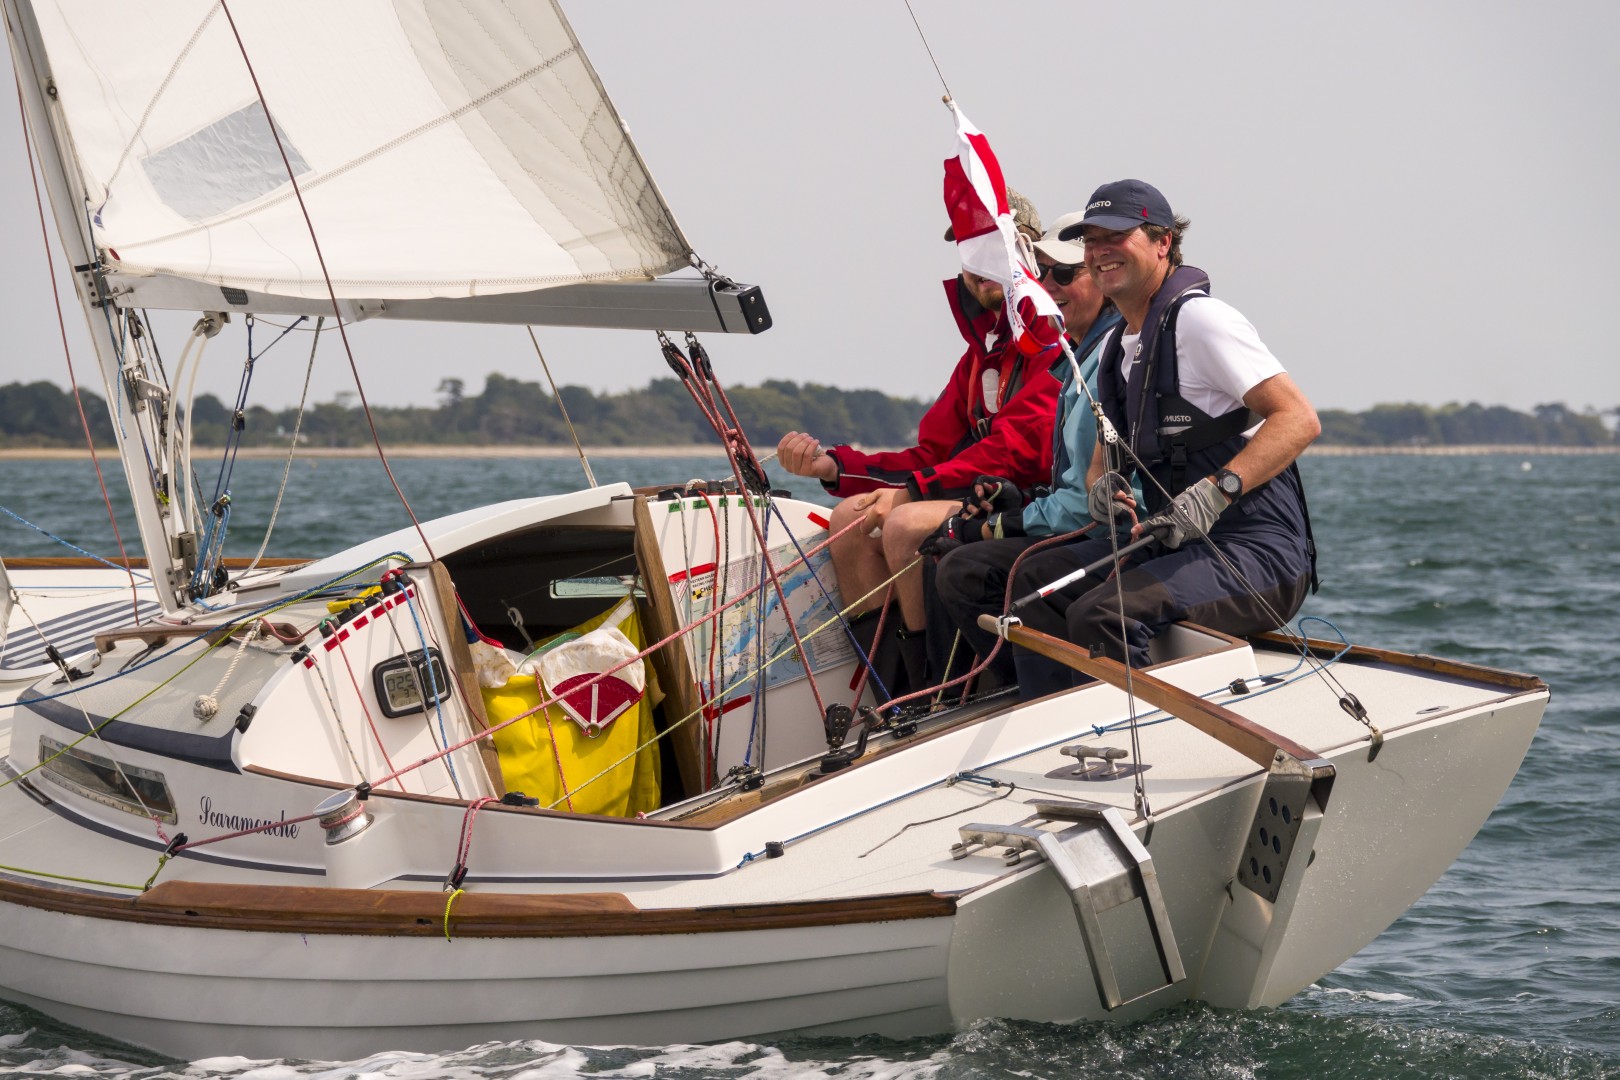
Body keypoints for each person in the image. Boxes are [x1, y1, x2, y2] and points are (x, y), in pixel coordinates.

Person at [970, 179, 1320, 698]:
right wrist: (1102, 487)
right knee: (1035, 580)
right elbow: (1103, 458)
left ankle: (1143, 736)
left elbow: (1298, 419)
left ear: (1163, 242)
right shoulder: (1118, 346)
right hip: (1178, 548)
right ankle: (1050, 720)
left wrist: (1216, 491)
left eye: (1116, 236)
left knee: (1105, 613)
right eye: (1091, 241)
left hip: (1259, 554)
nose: (1100, 250)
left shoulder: (1200, 321)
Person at [776, 190, 1062, 699]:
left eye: (990, 246)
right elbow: (930, 454)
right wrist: (832, 467)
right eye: (969, 250)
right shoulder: (980, 356)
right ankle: (894, 694)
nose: (977, 263)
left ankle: (938, 695)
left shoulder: (1052, 337)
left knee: (905, 525)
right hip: (980, 496)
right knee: (848, 522)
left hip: (1037, 502)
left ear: (1027, 253)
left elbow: (1018, 449)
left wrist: (912, 492)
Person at [929, 210, 1125, 689]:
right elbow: (933, 447)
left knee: (964, 563)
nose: (1049, 286)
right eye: (1043, 273)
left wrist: (998, 523)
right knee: (941, 548)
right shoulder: (1070, 356)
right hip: (1070, 517)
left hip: (1114, 537)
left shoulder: (1100, 358)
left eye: (1065, 274)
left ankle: (1020, 696)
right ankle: (958, 692)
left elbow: (1082, 499)